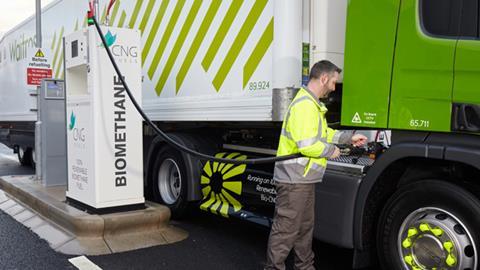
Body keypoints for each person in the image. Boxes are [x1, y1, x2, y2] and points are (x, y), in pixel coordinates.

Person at [265, 60, 367, 270]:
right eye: (333, 82)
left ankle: (305, 267)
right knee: (286, 231)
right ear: (323, 78)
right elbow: (307, 144)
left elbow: (323, 134)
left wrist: (348, 138)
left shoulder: (312, 106)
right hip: (294, 180)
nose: (334, 87)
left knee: (304, 229)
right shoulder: (304, 106)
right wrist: (332, 151)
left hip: (304, 178)